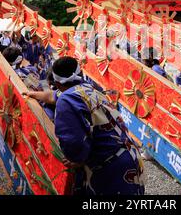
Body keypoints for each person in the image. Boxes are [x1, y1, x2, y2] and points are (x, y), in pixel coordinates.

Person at [24, 56, 145, 195]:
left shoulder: (66, 100)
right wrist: (33, 94)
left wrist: (77, 160)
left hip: (111, 169)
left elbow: (73, 143)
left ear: (57, 84)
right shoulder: (88, 88)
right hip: (130, 158)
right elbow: (52, 96)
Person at [2, 47, 55, 121]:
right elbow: (44, 83)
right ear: (20, 60)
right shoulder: (31, 69)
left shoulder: (9, 77)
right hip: (46, 105)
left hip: (30, 110)